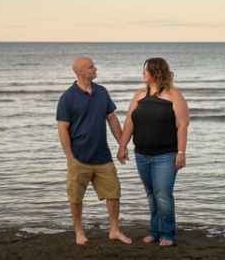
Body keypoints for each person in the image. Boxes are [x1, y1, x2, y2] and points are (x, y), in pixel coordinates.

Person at [56, 56, 133, 245]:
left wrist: (122, 145)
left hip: (103, 156)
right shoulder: (67, 98)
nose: (96, 69)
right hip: (79, 157)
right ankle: (79, 231)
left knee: (113, 193)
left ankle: (114, 230)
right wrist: (70, 157)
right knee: (75, 196)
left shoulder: (101, 92)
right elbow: (62, 128)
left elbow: (112, 119)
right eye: (91, 67)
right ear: (80, 72)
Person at [117, 57, 190, 247]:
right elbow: (130, 122)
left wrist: (181, 151)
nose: (142, 73)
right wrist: (123, 145)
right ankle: (155, 230)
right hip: (141, 154)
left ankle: (167, 233)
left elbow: (182, 125)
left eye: (145, 70)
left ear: (156, 73)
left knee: (163, 195)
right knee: (151, 195)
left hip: (166, 155)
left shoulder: (174, 94)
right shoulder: (140, 94)